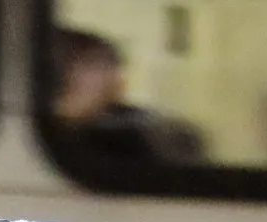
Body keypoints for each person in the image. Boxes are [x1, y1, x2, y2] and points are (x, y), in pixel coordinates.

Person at [50, 27, 205, 167]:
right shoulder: (47, 134)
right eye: (94, 64)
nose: (115, 77)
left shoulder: (132, 128)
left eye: (112, 65)